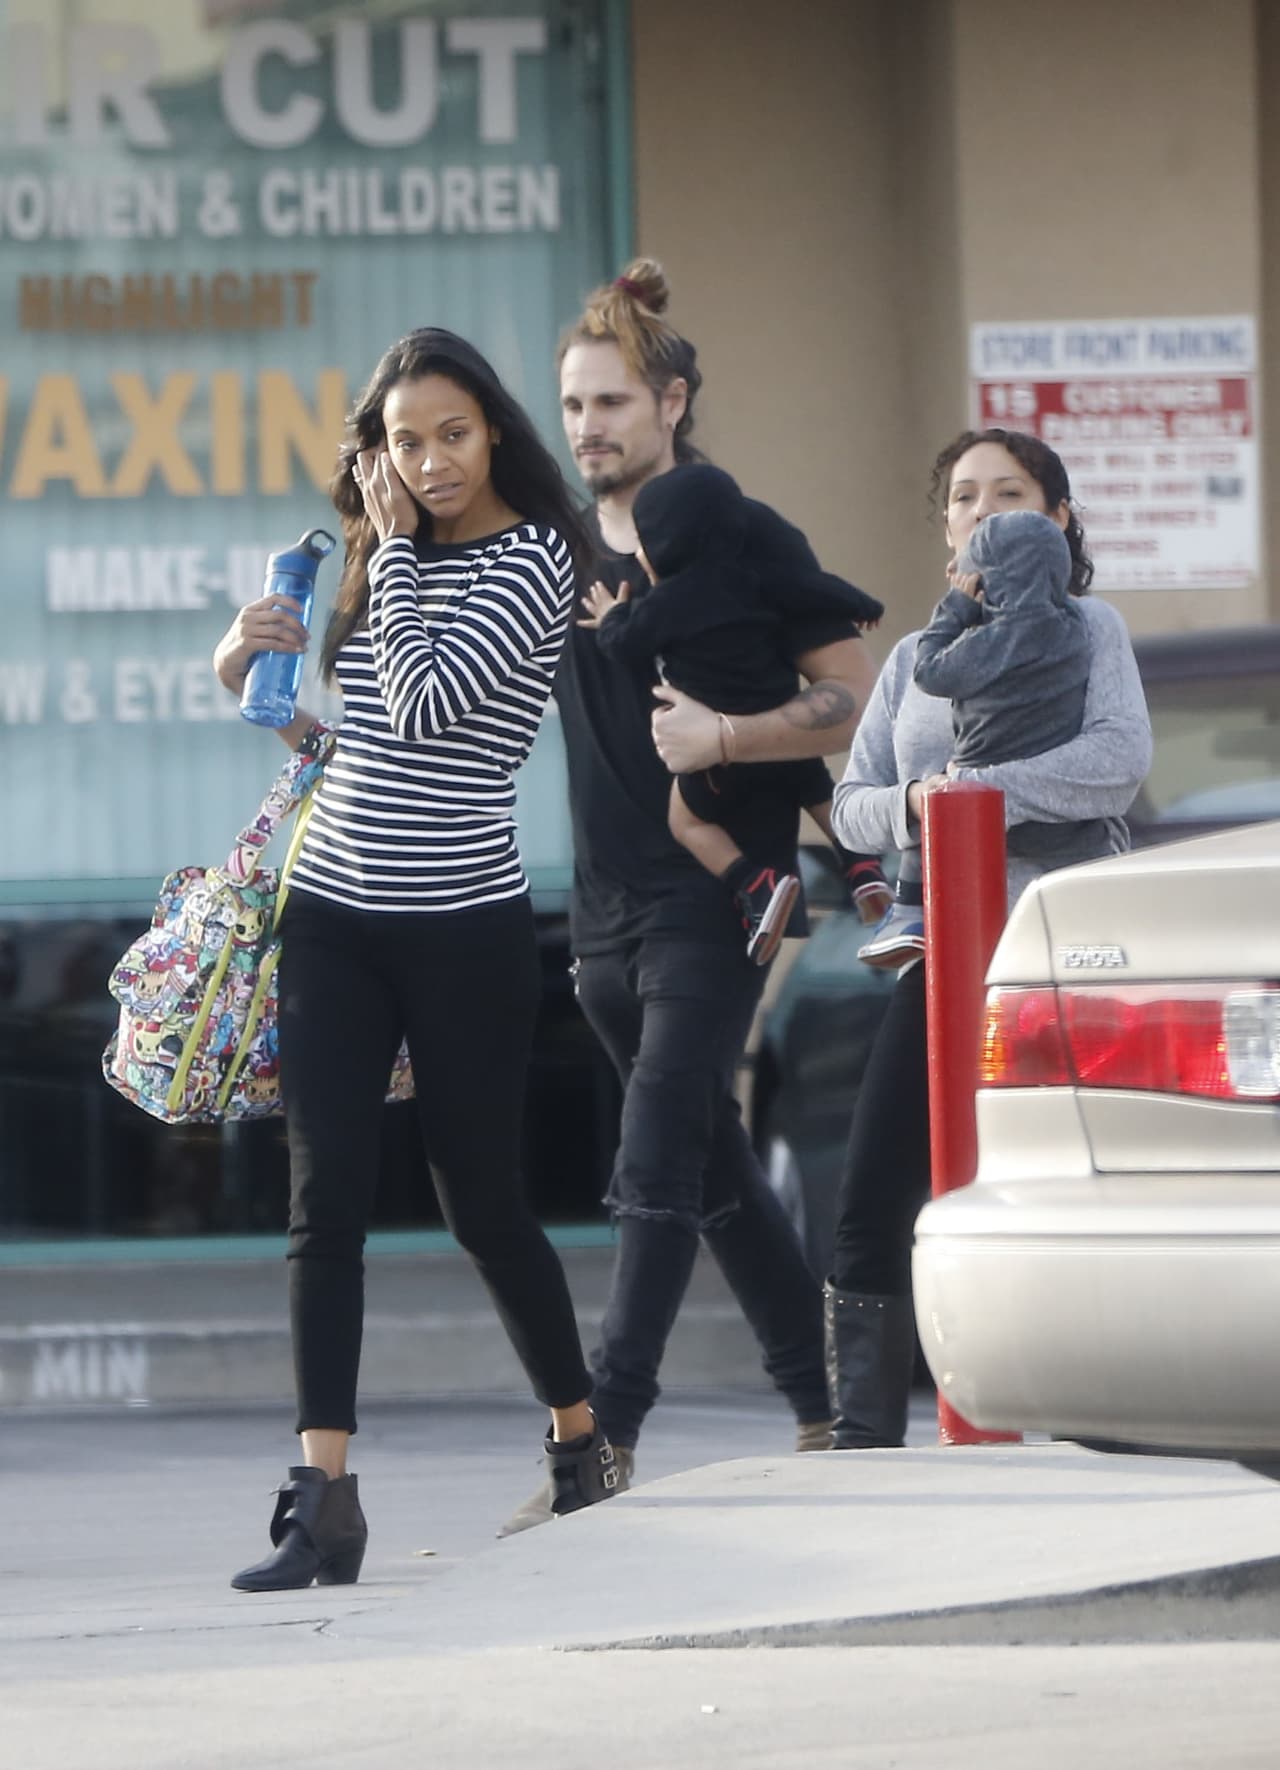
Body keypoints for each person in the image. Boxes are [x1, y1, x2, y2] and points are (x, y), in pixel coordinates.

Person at [211, 328, 621, 1591]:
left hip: (462, 928)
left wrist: (389, 558)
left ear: (492, 428)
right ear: (375, 450)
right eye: (404, 442)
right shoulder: (383, 567)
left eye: (451, 433)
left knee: (479, 1203)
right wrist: (245, 667)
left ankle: (580, 1439)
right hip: (334, 912)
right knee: (319, 1206)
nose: (431, 462)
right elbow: (359, 742)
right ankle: (321, 1497)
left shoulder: (532, 561)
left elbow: (442, 707)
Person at [499, 260, 881, 1536]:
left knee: (653, 1162)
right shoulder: (545, 554)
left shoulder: (741, 534)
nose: (587, 426)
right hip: (598, 914)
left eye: (609, 401)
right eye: (571, 405)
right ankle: (820, 1404)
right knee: (710, 1166)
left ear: (670, 403)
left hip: (716, 901)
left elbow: (851, 693)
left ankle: (600, 1445)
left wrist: (727, 738)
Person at [824, 427, 1153, 1450]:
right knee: (872, 1192)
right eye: (961, 497)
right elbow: (850, 806)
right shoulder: (916, 661)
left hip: (1062, 947)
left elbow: (1116, 765)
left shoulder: (1087, 629)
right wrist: (920, 803)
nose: (979, 511)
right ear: (944, 535)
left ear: (1055, 521)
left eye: (1006, 492)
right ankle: (862, 1439)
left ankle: (1116, 1415)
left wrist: (972, 799)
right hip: (935, 946)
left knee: (1074, 1183)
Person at [579, 460, 889, 965]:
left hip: (714, 758)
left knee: (686, 822)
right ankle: (859, 863)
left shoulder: (666, 603)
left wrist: (614, 615)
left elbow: (622, 644)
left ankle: (756, 884)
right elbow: (817, 590)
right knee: (817, 792)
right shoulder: (760, 576)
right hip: (776, 727)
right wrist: (864, 603)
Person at [858, 504, 1112, 967]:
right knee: (1082, 846)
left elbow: (930, 671)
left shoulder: (994, 640)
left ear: (988, 580)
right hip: (1062, 824)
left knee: (935, 810)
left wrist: (957, 608)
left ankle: (908, 908)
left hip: (975, 789)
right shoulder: (1074, 631)